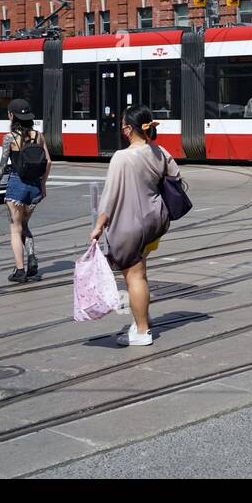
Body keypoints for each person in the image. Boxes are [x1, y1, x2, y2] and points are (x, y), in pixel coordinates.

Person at [90, 105, 184, 347]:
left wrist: (99, 226)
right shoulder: (160, 152)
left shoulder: (121, 157)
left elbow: (109, 197)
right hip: (155, 221)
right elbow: (177, 178)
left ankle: (142, 331)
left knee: (134, 276)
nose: (121, 128)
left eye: (123, 124)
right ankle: (143, 318)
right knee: (140, 271)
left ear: (130, 129)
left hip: (131, 225)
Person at [0, 99, 51, 283]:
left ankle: (20, 270)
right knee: (24, 225)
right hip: (34, 188)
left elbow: (1, 166)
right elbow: (48, 161)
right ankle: (31, 258)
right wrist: (43, 184)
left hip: (17, 185)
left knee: (15, 229)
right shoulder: (39, 136)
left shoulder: (9, 138)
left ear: (11, 115)